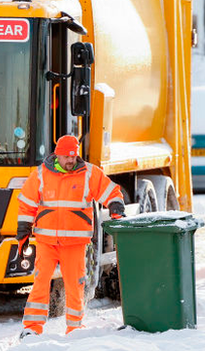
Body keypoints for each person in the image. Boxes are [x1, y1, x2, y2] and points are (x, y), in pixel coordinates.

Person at [16, 135, 125, 339]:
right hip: (47, 242)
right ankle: (32, 327)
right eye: (66, 157)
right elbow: (27, 204)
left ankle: (74, 328)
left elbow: (110, 190)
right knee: (40, 283)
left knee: (75, 285)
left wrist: (115, 205)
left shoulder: (88, 173)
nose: (70, 161)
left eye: (73, 157)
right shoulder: (40, 175)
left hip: (74, 243)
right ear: (58, 154)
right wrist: (23, 231)